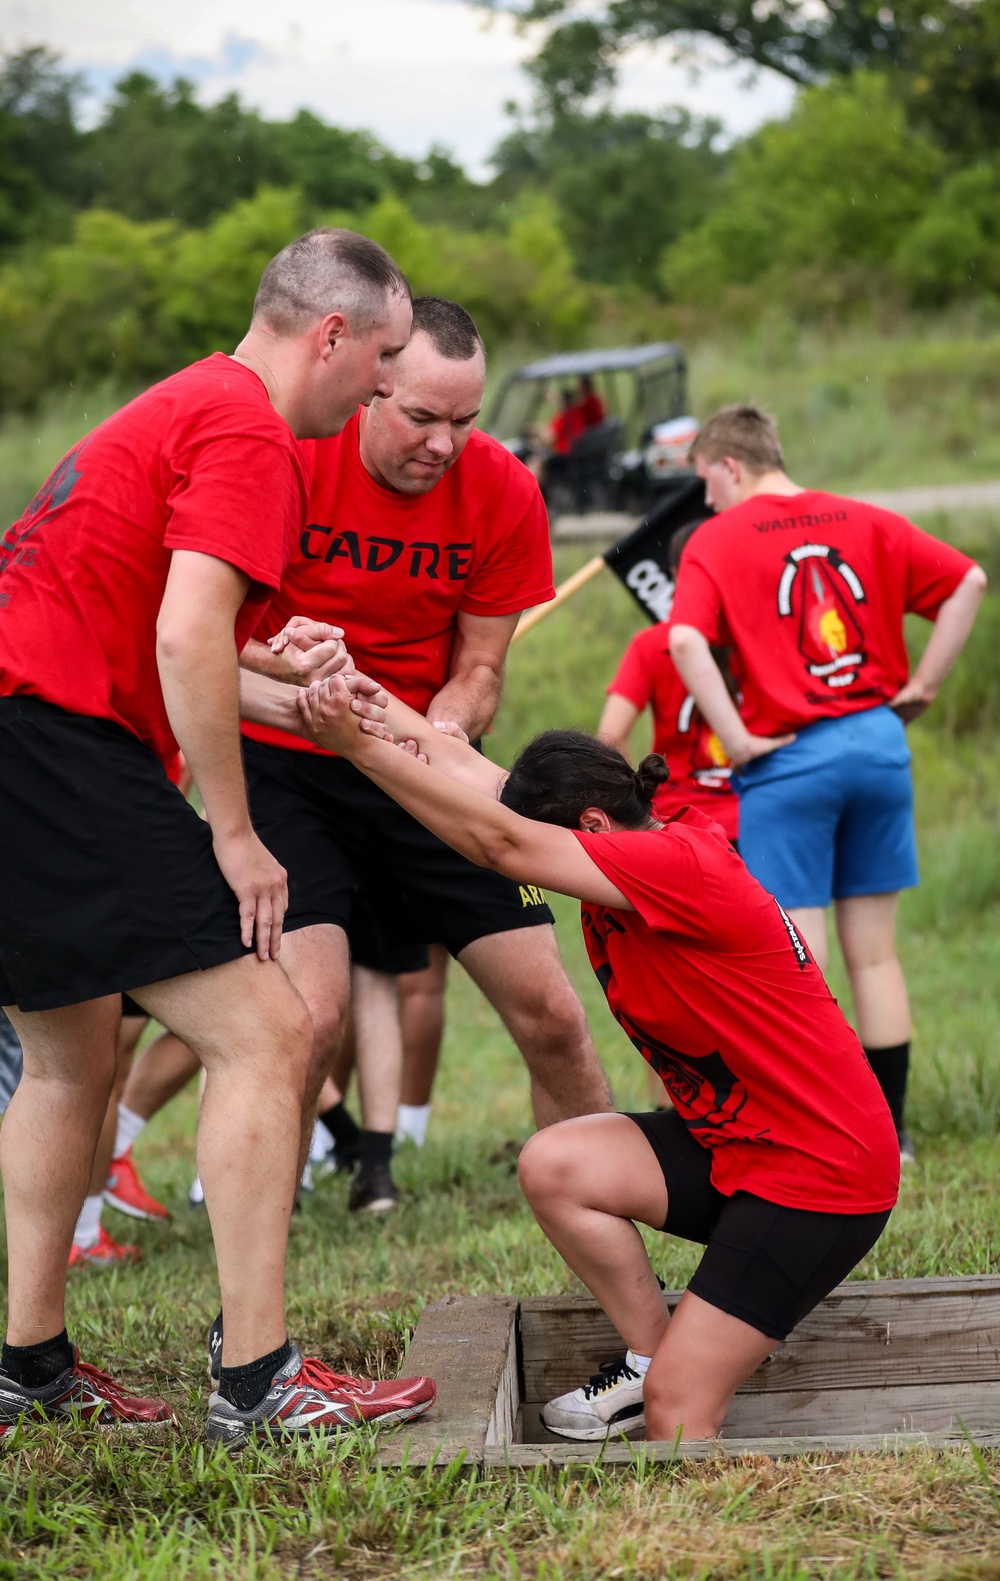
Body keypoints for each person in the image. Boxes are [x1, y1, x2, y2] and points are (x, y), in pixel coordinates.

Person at [0, 227, 435, 1446]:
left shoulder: (189, 400)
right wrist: (236, 836)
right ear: (333, 336)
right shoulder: (247, 425)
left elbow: (167, 634)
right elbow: (191, 639)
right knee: (269, 1034)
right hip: (55, 744)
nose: (388, 388)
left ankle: (29, 1366)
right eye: (387, 357)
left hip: (23, 727)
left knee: (72, 1056)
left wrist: (298, 698)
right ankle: (260, 1381)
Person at [294, 679, 901, 1444]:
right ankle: (655, 1351)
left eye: (558, 843)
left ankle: (691, 1499)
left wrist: (352, 747)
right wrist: (372, 700)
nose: (545, 865)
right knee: (557, 1163)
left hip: (823, 1174)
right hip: (741, 1145)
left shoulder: (669, 863)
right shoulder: (627, 839)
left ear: (590, 824)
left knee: (678, 1415)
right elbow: (479, 783)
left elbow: (500, 840)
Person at [238, 294, 614, 1204]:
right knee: (309, 1016)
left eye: (465, 421)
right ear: (370, 389)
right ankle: (252, 1298)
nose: (444, 444)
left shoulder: (504, 489)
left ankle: (612, 1241)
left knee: (556, 1016)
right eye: (421, 417)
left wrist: (442, 729)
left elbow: (482, 668)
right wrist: (293, 673)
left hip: (425, 763)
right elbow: (204, 629)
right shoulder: (287, 456)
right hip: (288, 757)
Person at [667, 406, 986, 1162]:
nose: (705, 503)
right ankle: (896, 1135)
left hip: (790, 760)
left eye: (705, 483)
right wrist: (926, 686)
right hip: (879, 745)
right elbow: (968, 579)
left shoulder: (716, 537)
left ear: (729, 466)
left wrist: (738, 739)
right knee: (875, 954)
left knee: (798, 961)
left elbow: (683, 638)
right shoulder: (866, 517)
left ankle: (822, 1131)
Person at [598, 523, 739, 847]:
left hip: (681, 823)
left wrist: (635, 810)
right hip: (758, 817)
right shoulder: (755, 637)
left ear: (677, 574)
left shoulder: (651, 644)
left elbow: (611, 735)